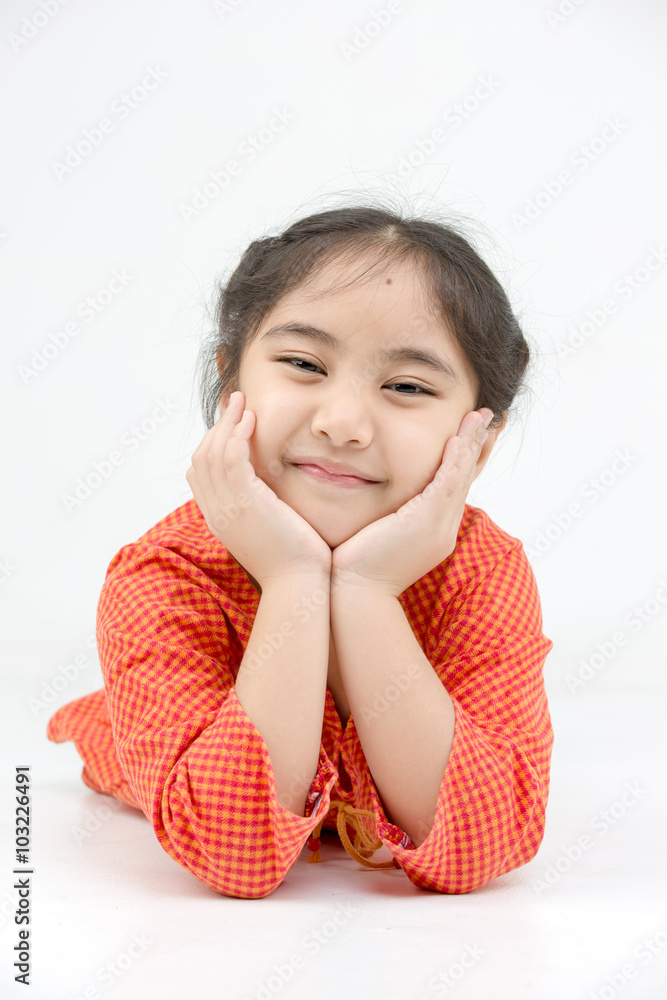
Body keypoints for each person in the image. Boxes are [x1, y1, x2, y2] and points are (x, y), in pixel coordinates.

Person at [47, 202, 554, 900]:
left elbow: (487, 846)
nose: (341, 423)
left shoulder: (481, 569)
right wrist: (293, 580)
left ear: (480, 441)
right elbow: (235, 853)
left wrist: (364, 593)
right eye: (303, 364)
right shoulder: (163, 576)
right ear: (231, 384)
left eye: (406, 386)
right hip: (140, 739)